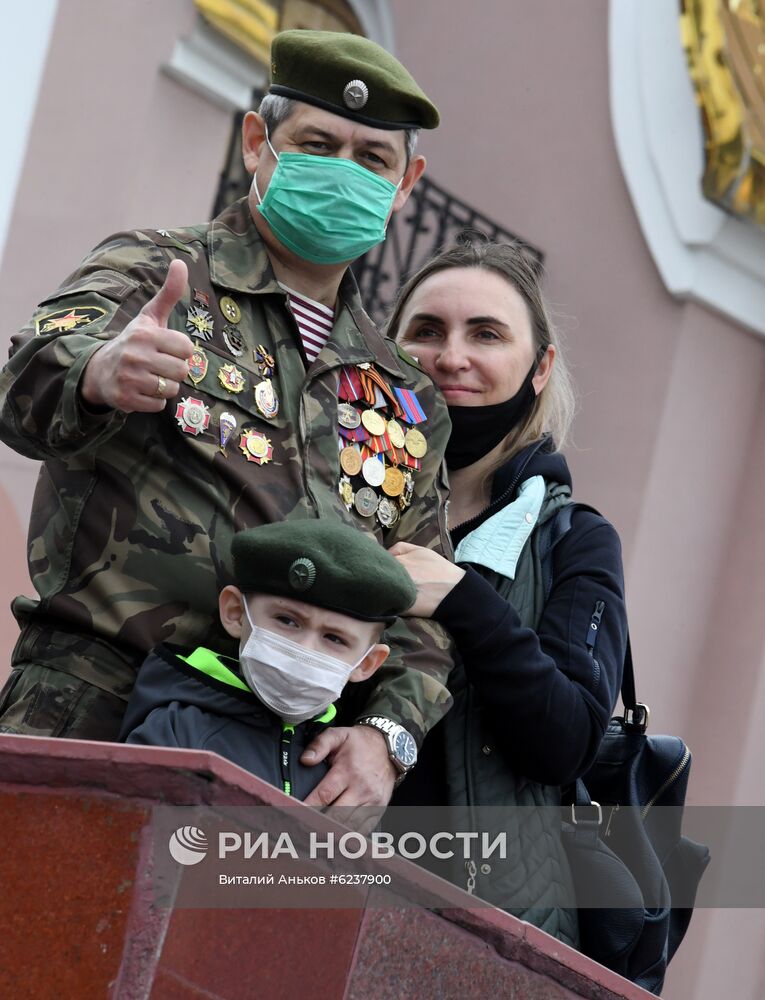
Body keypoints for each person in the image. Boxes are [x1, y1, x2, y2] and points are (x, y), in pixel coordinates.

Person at [0, 29, 454, 809]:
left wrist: (388, 739)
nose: (344, 172)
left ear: (405, 184)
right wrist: (98, 374)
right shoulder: (156, 268)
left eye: (372, 159)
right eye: (318, 143)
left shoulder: (402, 392)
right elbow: (20, 390)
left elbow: (422, 599)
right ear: (257, 142)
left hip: (276, 762)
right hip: (95, 707)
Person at [387, 240, 628, 945]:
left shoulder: (573, 540)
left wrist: (463, 601)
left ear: (539, 366)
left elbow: (566, 739)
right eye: (425, 331)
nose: (450, 356)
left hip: (470, 926)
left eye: (485, 334)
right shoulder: (333, 494)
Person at [121, 519, 418, 799]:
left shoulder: (344, 772)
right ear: (236, 613)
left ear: (366, 664)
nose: (305, 650)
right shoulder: (178, 730)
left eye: (334, 638)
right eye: (287, 621)